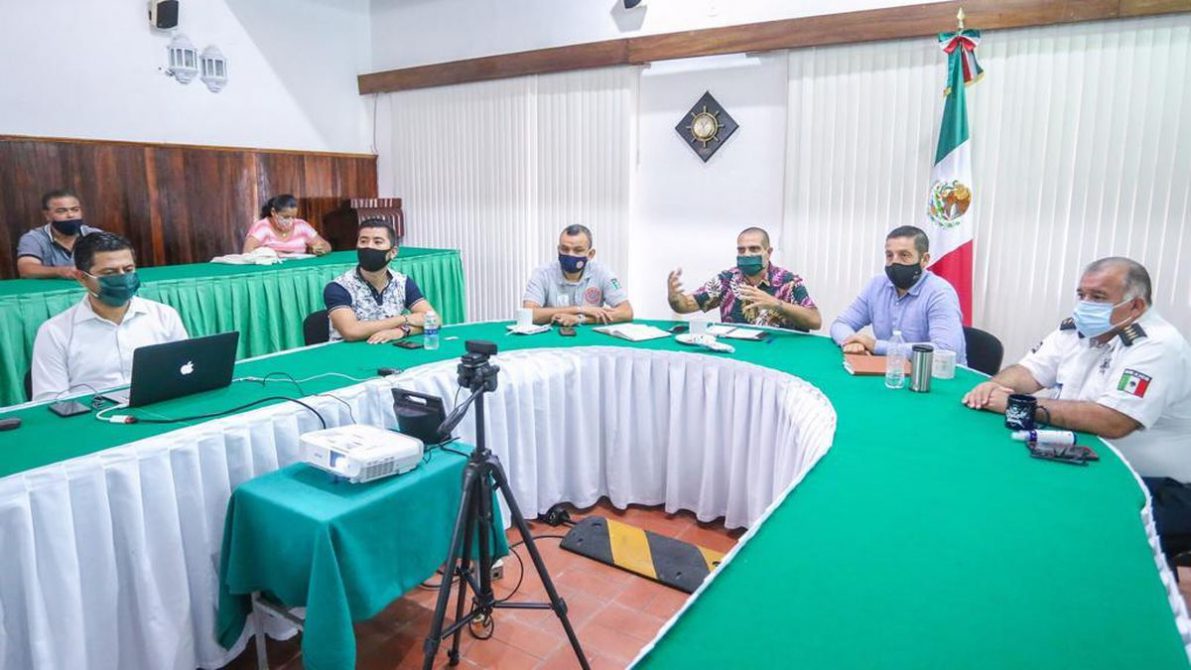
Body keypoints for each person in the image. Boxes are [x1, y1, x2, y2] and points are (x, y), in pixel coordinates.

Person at [962, 258, 1191, 562]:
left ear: (1135, 306)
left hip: (1154, 486)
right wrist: (995, 386)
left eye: (1098, 297)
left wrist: (1021, 406)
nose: (1085, 305)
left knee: (1060, 532)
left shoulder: (1158, 347)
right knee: (998, 491)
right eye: (1082, 294)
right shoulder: (1077, 330)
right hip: (1082, 461)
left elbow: (1113, 421)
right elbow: (1029, 371)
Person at [30, 232, 188, 401]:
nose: (122, 277)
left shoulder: (164, 315)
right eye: (110, 272)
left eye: (128, 270)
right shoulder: (55, 331)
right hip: (93, 414)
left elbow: (186, 372)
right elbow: (49, 400)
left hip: (158, 407)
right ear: (82, 278)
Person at [830, 225, 966, 364]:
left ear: (924, 259)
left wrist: (876, 346)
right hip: (891, 370)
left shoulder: (939, 292)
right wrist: (852, 342)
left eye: (904, 255)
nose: (894, 261)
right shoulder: (877, 285)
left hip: (934, 373)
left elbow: (946, 350)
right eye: (889, 255)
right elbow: (841, 324)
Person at [666, 227, 820, 330]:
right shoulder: (726, 280)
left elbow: (815, 320)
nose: (747, 254)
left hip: (777, 355)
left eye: (754, 249)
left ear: (769, 252)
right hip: (737, 354)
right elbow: (685, 306)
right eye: (741, 250)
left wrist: (776, 304)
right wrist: (674, 298)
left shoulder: (788, 282)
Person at [323, 219, 434, 343]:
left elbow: (433, 320)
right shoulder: (338, 287)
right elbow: (351, 331)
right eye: (363, 241)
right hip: (346, 352)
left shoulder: (402, 282)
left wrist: (401, 331)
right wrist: (404, 319)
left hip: (388, 350)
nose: (369, 246)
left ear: (393, 252)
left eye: (377, 242)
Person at [522, 224, 633, 326]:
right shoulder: (542, 274)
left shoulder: (602, 273)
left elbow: (626, 312)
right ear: (558, 250)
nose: (570, 254)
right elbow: (529, 314)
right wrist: (579, 309)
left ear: (590, 254)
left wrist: (580, 319)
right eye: (565, 249)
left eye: (578, 250)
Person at [16, 189, 103, 279]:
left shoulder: (95, 235)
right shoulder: (34, 238)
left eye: (75, 210)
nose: (70, 215)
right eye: (61, 211)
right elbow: (26, 270)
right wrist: (61, 271)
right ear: (47, 215)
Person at [243, 194, 332, 256]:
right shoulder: (262, 227)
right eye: (285, 217)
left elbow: (326, 245)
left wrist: (321, 249)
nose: (290, 221)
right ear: (273, 212)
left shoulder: (301, 226)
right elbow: (247, 252)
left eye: (293, 217)